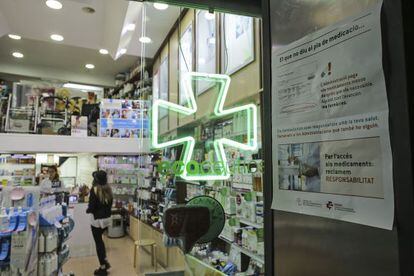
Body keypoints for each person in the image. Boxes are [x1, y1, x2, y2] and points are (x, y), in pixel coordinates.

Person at [86, 171, 113, 275]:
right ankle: (104, 262)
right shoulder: (108, 189)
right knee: (101, 242)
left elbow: (91, 207)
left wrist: (88, 210)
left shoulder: (95, 189)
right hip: (106, 220)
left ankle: (103, 267)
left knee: (99, 244)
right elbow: (109, 204)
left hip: (97, 221)